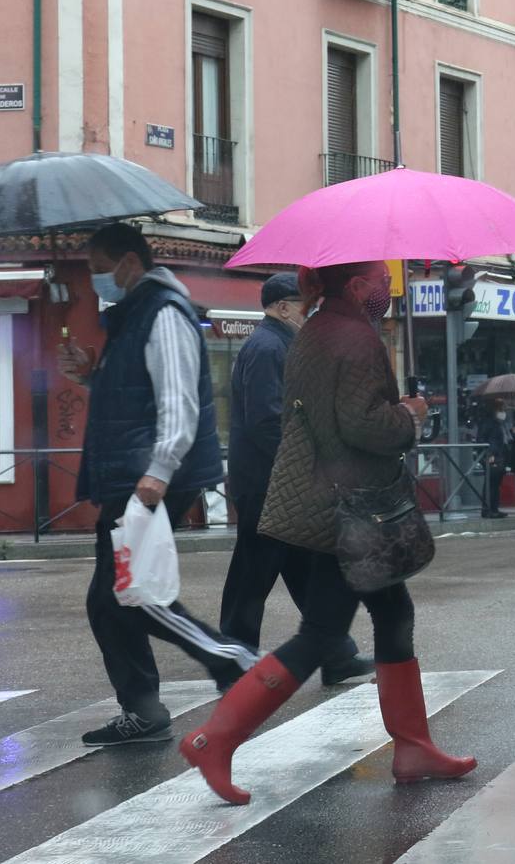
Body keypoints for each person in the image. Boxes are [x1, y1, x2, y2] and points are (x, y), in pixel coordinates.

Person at [179, 261, 475, 805]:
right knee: (322, 632)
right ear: (358, 287)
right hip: (353, 506)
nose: (388, 290)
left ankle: (413, 747)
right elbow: (361, 425)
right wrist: (408, 416)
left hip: (327, 499)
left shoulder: (314, 329)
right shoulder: (354, 339)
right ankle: (213, 739)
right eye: (381, 282)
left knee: (390, 613)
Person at [56, 223, 258, 746]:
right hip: (130, 473)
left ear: (128, 263)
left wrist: (158, 472)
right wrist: (90, 375)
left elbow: (178, 402)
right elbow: (135, 396)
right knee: (112, 597)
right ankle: (144, 708)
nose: (95, 277)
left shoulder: (164, 313)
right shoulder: (130, 316)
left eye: (100, 266)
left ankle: (228, 658)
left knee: (129, 592)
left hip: (150, 477)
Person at [218, 273, 371, 688]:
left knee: (306, 569)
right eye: (308, 306)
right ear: (283, 308)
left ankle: (335, 654)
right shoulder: (268, 347)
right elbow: (267, 419)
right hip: (269, 484)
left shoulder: (285, 344)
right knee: (252, 574)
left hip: (281, 483)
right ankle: (233, 662)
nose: (314, 313)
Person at [476, 396, 512, 518]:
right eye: (501, 409)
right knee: (490, 484)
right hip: (492, 456)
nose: (503, 412)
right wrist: (489, 454)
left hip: (501, 455)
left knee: (496, 484)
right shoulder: (488, 422)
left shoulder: (501, 423)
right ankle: (487, 509)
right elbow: (482, 440)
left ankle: (494, 508)